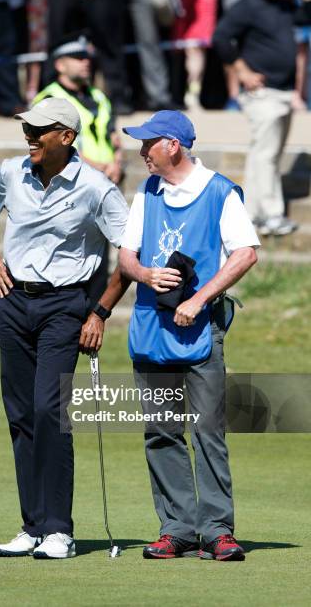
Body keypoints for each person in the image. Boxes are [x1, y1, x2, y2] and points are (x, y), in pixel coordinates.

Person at [0, 98, 129, 559]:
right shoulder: (11, 171)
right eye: (28, 128)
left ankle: (60, 529)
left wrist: (99, 312)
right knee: (20, 416)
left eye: (41, 129)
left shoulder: (96, 188)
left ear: (67, 137)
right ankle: (32, 525)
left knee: (47, 411)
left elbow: (129, 253)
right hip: (14, 301)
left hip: (65, 307)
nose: (30, 136)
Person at [119, 109, 259, 561]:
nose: (142, 152)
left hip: (202, 330)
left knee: (208, 432)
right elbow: (126, 257)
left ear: (172, 145)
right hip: (152, 329)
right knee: (161, 432)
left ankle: (218, 530)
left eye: (148, 144)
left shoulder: (220, 191)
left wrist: (198, 300)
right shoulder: (146, 190)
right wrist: (144, 273)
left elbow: (245, 255)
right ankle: (176, 530)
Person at [33, 33, 124, 305]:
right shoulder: (49, 99)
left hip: (104, 186)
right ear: (59, 64)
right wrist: (99, 167)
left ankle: (92, 323)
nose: (86, 63)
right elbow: (52, 148)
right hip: (68, 188)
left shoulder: (99, 96)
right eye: (78, 58)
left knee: (99, 261)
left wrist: (116, 162)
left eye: (88, 58)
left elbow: (113, 136)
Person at [213, 0, 298, 236]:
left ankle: (252, 214)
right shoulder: (248, 5)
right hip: (261, 93)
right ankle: (270, 214)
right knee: (266, 153)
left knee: (269, 153)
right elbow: (220, 38)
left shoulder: (287, 6)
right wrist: (242, 71)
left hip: (284, 91)